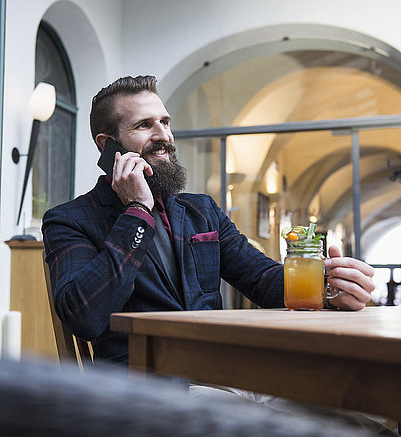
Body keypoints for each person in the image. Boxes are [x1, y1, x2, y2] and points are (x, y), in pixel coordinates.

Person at [42, 75, 375, 367]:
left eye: (166, 122)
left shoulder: (202, 211)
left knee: (356, 416)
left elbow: (261, 280)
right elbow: (82, 315)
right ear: (108, 146)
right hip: (143, 388)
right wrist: (138, 211)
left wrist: (329, 287)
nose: (164, 136)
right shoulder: (68, 220)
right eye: (145, 125)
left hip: (220, 369)